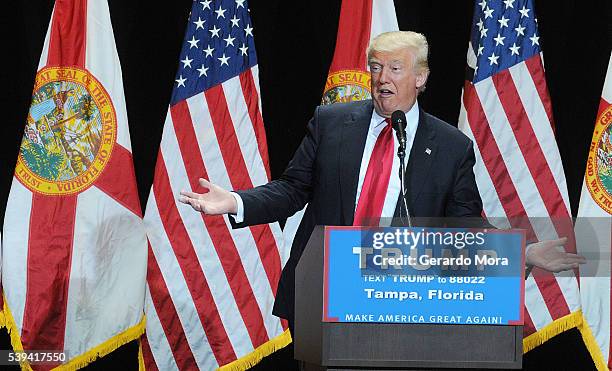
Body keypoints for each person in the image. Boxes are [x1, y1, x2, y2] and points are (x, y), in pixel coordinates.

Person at [179, 31, 584, 329]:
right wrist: (234, 201)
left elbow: (465, 228)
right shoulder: (331, 123)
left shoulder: (450, 146)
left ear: (420, 78)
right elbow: (291, 190)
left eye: (394, 67)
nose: (381, 76)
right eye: (375, 67)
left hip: (400, 299)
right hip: (323, 291)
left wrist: (522, 254)